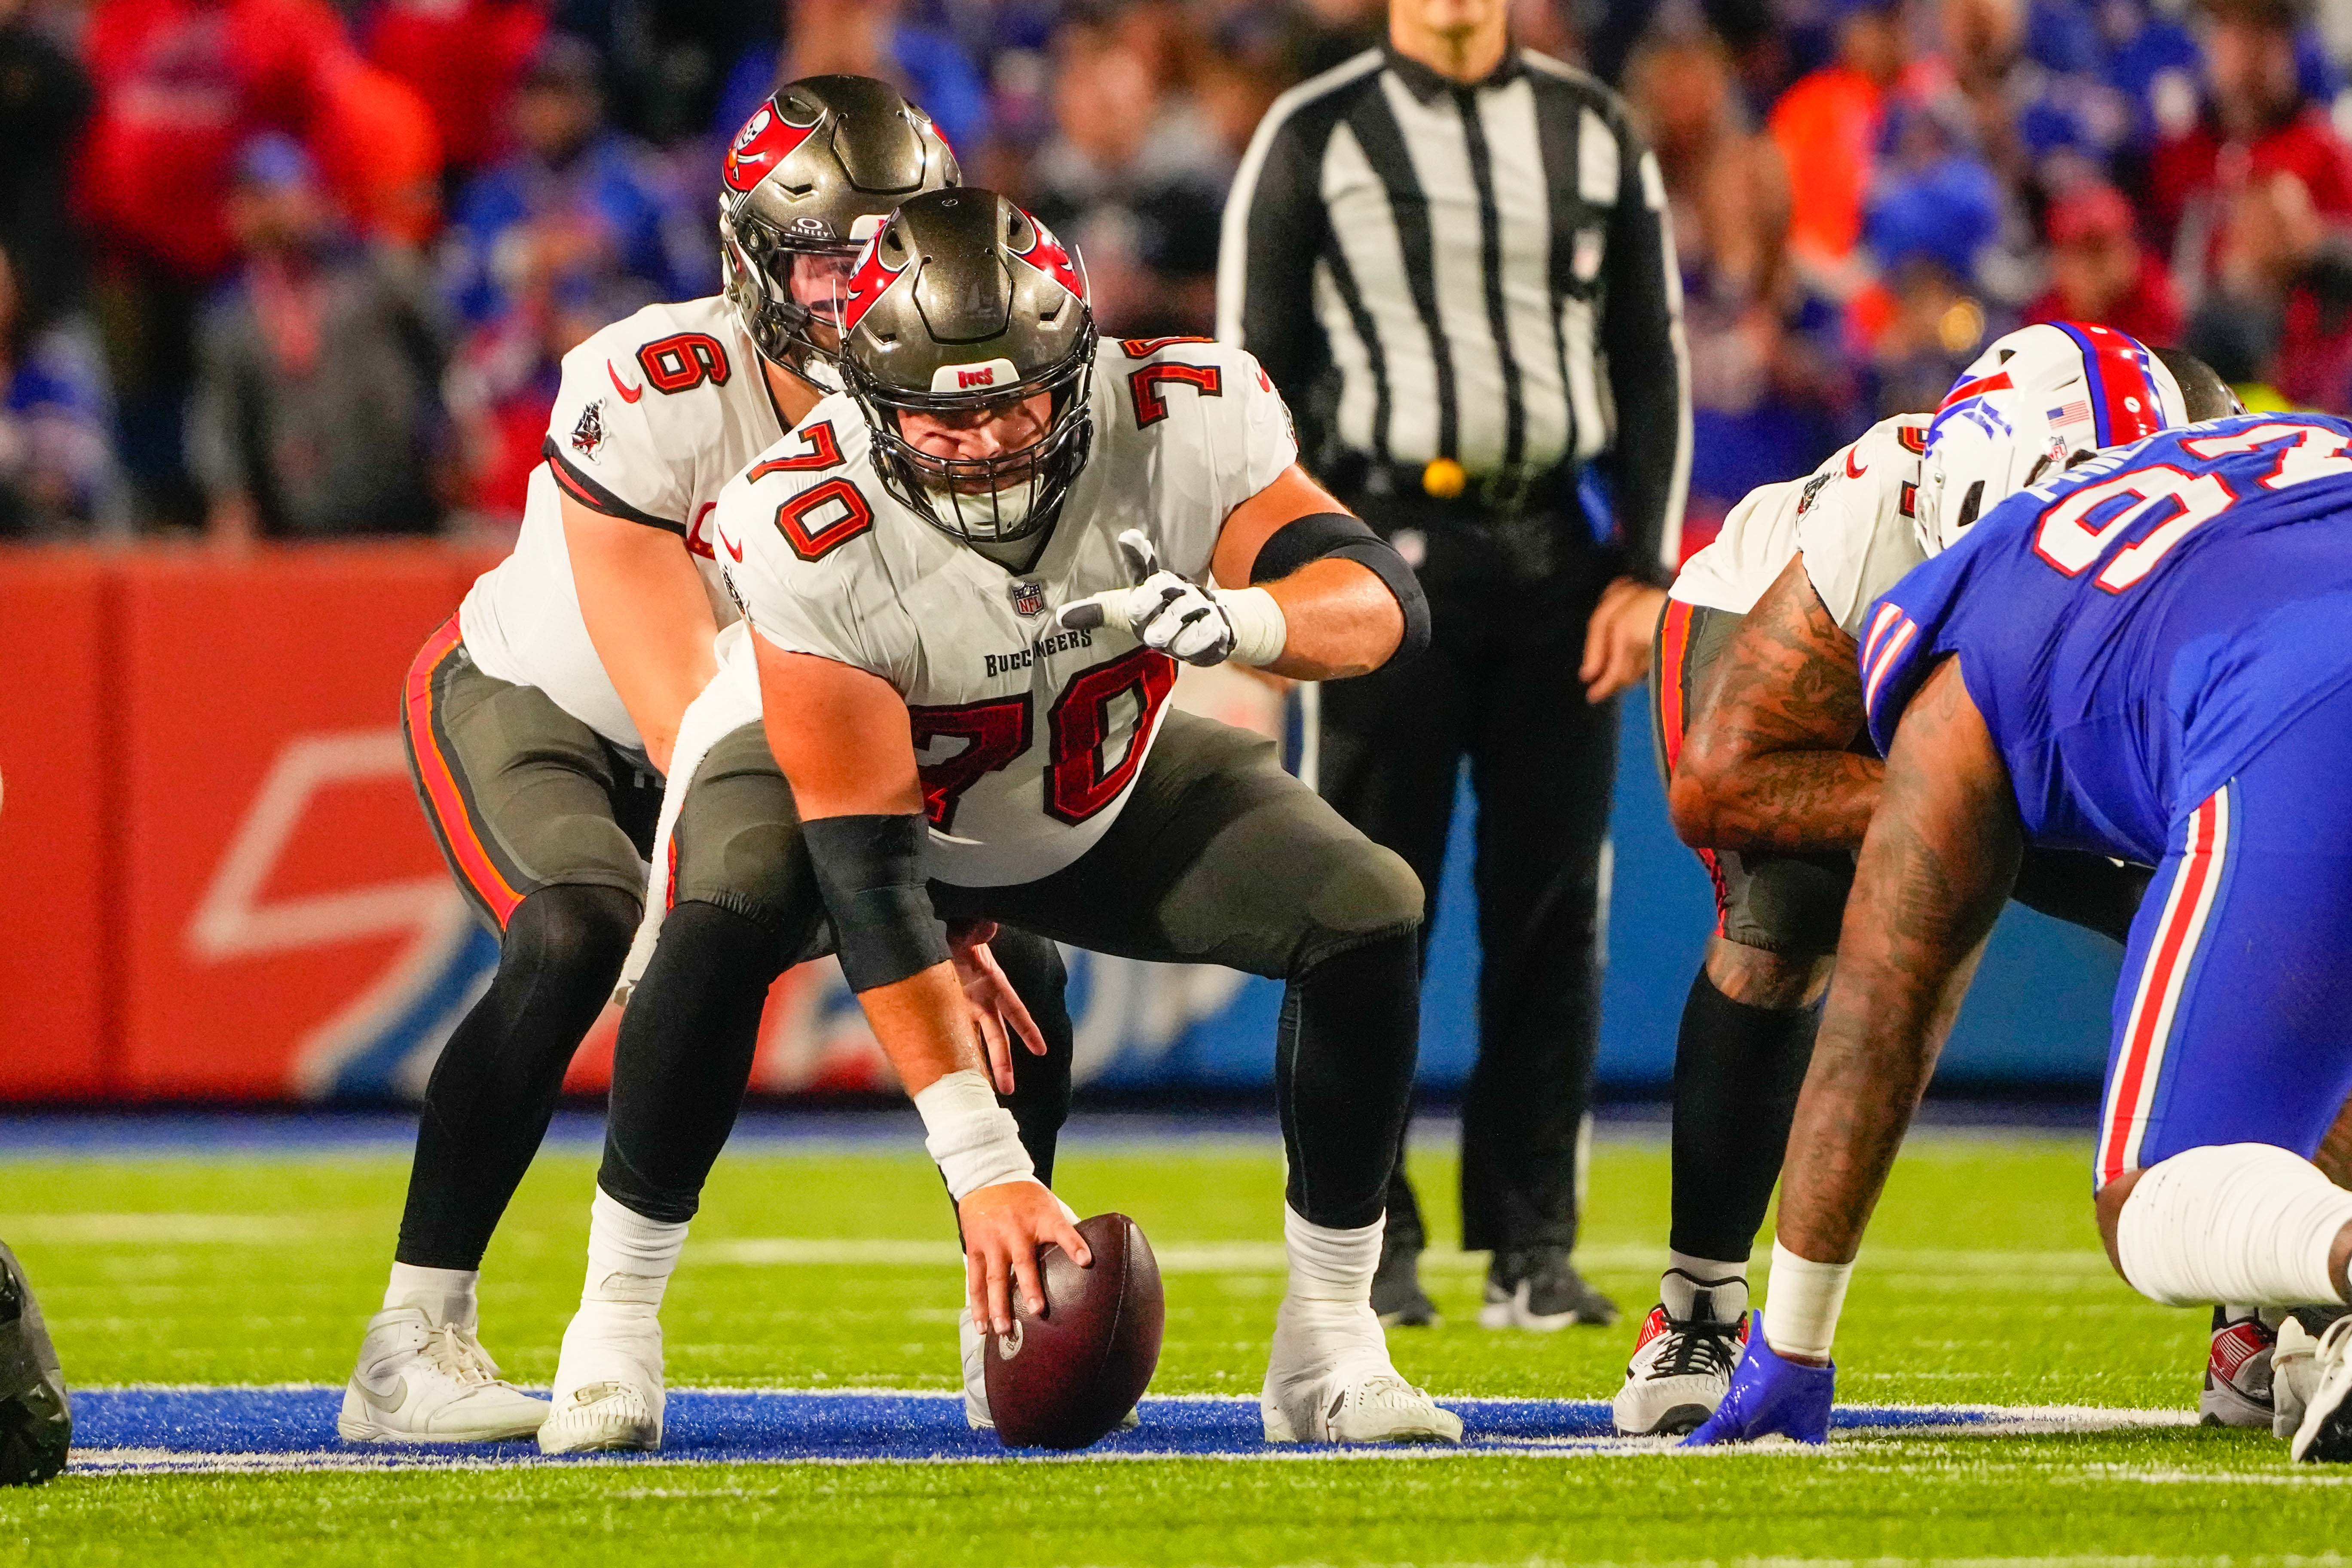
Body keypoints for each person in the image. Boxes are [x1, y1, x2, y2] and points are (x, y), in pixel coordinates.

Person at [340, 78, 1068, 1450]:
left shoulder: (968, 412)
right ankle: (409, 1338)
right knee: (578, 927)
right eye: (827, 251)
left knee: (1015, 957)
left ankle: (1012, 1317)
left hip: (775, 742)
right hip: (552, 707)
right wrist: (893, 899)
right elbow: (686, 722)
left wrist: (959, 904)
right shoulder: (650, 382)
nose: (865, 285)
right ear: (753, 259)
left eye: (896, 242)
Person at [693, 186, 1458, 1446]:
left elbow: (1381, 601)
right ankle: (616, 1316)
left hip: (1101, 778)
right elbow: (872, 872)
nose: (986, 441)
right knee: (721, 913)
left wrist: (1250, 623)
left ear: (1082, 365)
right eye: (944, 418)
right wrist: (983, 1169)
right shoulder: (804, 517)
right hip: (913, 810)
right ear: (874, 409)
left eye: (1014, 401)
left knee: (1368, 907)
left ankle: (1330, 1337)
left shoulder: (1177, 415)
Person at [1683, 403, 2352, 1465]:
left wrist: (1794, 1346)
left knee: (2152, 1197)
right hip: (2289, 628)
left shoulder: (1974, 609)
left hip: (2292, 701)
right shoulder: (2265, 442)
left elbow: (1879, 1006)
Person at [1621, 323, 2235, 1437]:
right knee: (1787, 908)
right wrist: (1955, 815)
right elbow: (1717, 784)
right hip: (1785, 648)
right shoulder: (1882, 511)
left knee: (2227, 920)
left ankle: (2266, 1307)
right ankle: (1698, 1304)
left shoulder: (2206, 491)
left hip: (2017, 715)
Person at [1217, 0, 1691, 1334]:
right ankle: (1370, 1235)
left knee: (1555, 917)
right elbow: (1251, 378)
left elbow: (1650, 353)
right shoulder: (1314, 133)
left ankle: (1532, 1245)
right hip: (1379, 551)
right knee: (1365, 906)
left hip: (1558, 551)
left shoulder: (1593, 127)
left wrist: (1646, 568)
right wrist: (1290, 578)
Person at [186, 134, 449, 544]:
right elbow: (219, 417)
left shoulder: (374, 275)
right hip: (296, 521)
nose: (260, 213)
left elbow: (443, 347)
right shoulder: (231, 314)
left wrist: (447, 438)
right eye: (245, 200)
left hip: (401, 509)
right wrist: (229, 495)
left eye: (271, 196)